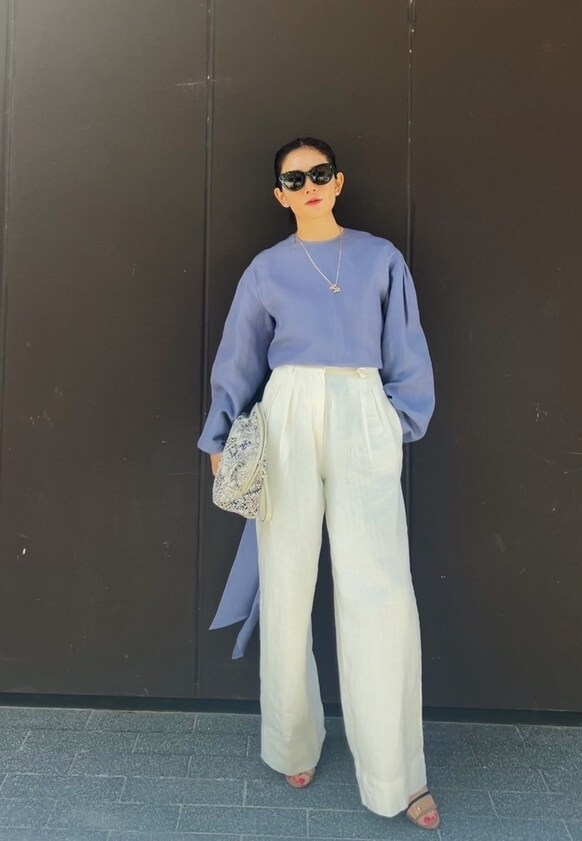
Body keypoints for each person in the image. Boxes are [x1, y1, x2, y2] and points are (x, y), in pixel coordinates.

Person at [197, 137, 439, 829]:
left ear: (338, 182)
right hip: (288, 415)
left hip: (363, 412)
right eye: (293, 179)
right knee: (285, 583)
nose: (307, 185)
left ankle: (396, 775)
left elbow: (407, 348)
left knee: (381, 592)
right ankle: (291, 741)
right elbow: (239, 356)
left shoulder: (380, 258)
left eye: (318, 174)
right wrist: (219, 434)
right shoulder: (266, 269)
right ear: (280, 194)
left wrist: (393, 423)